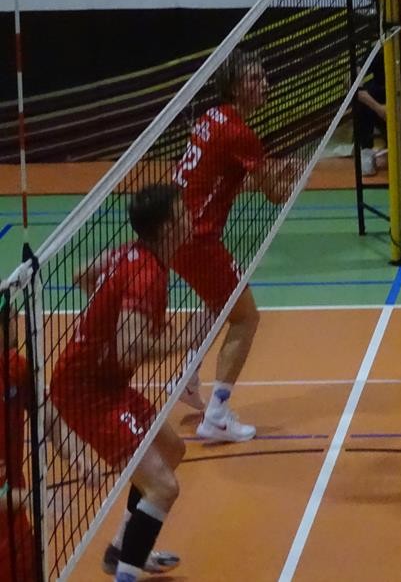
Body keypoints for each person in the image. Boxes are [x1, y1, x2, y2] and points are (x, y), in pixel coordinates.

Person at [49, 184, 190, 580]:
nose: (191, 217)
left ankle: (122, 550)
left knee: (171, 448)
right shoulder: (146, 275)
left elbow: (82, 274)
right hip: (86, 393)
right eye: (183, 213)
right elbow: (131, 350)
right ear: (167, 228)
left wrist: (104, 316)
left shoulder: (130, 254)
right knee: (163, 487)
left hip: (105, 382)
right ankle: (126, 573)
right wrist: (185, 340)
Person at [171, 48, 297, 441]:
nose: (264, 85)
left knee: (219, 302)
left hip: (173, 231)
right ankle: (216, 416)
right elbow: (274, 195)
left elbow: (220, 180)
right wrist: (293, 176)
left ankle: (187, 377)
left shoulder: (211, 118)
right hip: (197, 240)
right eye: (254, 79)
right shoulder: (241, 135)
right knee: (246, 318)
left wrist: (268, 175)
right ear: (235, 87)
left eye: (264, 77)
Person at [0, 297, 35, 582]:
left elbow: (46, 413)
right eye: (12, 318)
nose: (17, 323)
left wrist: (76, 455)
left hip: (14, 530)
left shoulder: (14, 366)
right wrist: (32, 497)